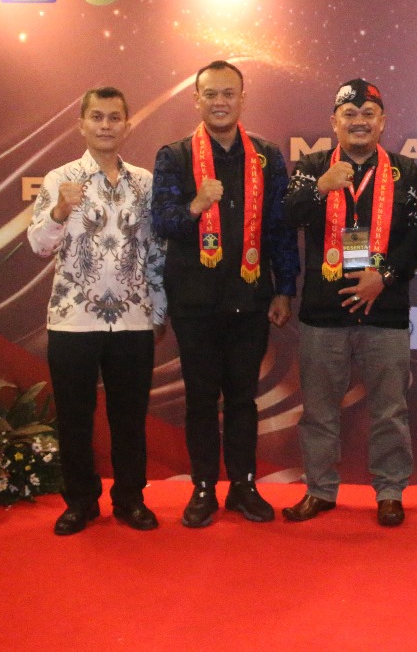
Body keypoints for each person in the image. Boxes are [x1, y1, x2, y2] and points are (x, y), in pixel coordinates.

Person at [152, 60, 299, 527]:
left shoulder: (267, 157)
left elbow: (280, 229)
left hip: (251, 298)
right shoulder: (174, 156)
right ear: (196, 99)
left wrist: (285, 289)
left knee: (242, 399)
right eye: (211, 94)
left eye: (228, 94)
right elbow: (162, 222)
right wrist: (195, 205)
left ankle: (243, 485)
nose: (220, 102)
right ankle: (202, 488)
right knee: (200, 399)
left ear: (242, 99)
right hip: (195, 301)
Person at [282, 79, 417, 527]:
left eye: (369, 114)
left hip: (384, 310)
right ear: (334, 122)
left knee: (390, 410)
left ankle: (389, 492)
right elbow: (285, 217)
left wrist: (382, 277)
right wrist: (320, 188)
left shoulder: (406, 171)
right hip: (322, 313)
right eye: (350, 114)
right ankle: (319, 489)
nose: (359, 122)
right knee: (319, 411)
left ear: (382, 122)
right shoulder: (312, 166)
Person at [27, 87, 166, 535]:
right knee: (74, 418)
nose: (106, 125)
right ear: (81, 124)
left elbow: (157, 252)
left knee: (130, 418)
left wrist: (158, 312)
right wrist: (59, 211)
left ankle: (130, 500)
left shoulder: (145, 182)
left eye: (114, 117)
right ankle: (81, 502)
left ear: (127, 125)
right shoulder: (59, 178)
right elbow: (38, 245)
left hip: (133, 319)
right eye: (97, 117)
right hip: (73, 320)